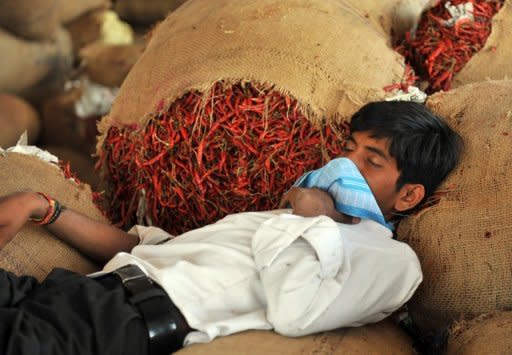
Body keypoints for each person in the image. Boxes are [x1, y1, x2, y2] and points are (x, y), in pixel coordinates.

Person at [0, 101, 463, 355]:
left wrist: (314, 218)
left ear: (407, 196)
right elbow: (151, 249)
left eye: (370, 161)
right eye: (348, 149)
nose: (344, 164)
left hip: (117, 326)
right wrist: (46, 209)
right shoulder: (278, 216)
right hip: (78, 292)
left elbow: (297, 312)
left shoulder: (389, 262)